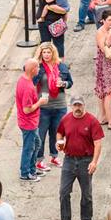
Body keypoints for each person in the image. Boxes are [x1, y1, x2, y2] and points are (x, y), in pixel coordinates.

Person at [32, 42, 71, 172]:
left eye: (48, 52)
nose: (46, 55)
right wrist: (36, 61)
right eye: (44, 52)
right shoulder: (38, 67)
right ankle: (39, 160)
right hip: (44, 107)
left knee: (56, 134)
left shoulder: (61, 66)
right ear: (41, 53)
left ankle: (54, 156)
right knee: (41, 135)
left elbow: (70, 82)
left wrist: (64, 83)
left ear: (53, 53)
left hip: (60, 106)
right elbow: (30, 78)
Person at [15, 59, 48, 181]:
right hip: (28, 123)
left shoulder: (22, 79)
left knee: (36, 143)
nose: (39, 70)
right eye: (38, 68)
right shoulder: (28, 87)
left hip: (30, 122)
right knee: (29, 148)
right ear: (33, 69)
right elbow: (27, 110)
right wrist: (40, 102)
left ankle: (32, 169)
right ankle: (25, 173)